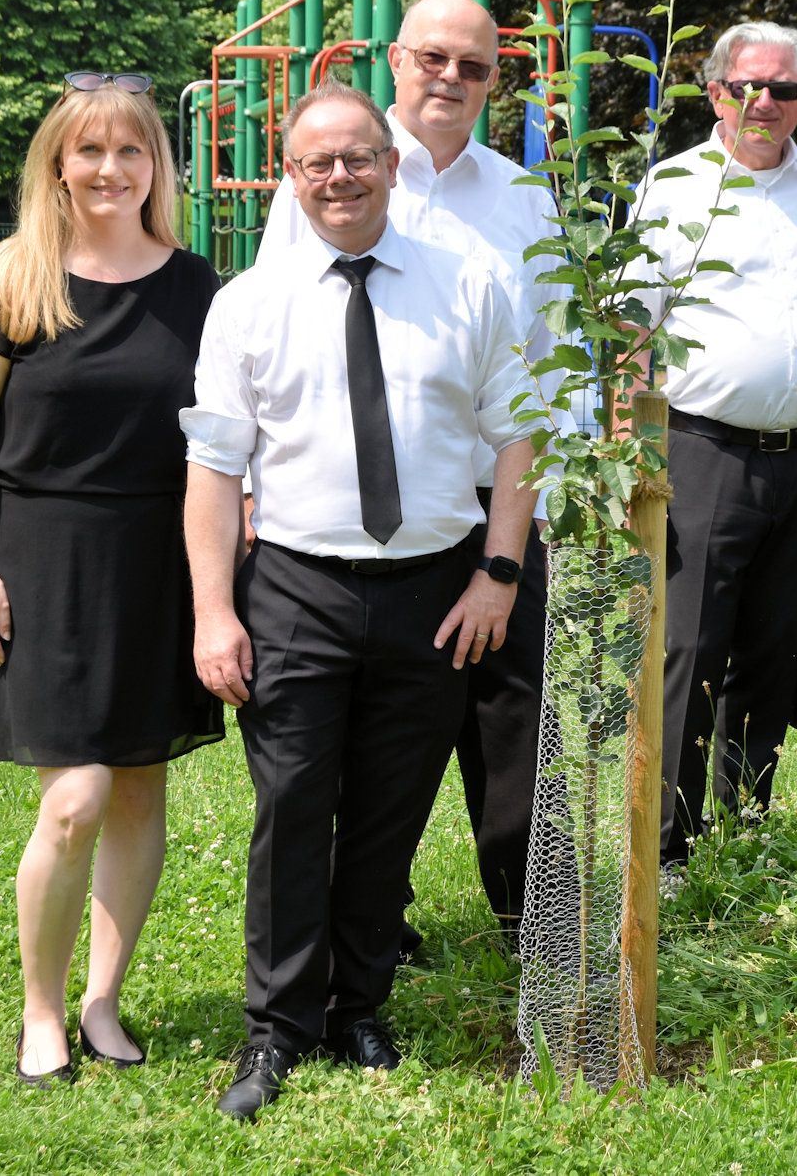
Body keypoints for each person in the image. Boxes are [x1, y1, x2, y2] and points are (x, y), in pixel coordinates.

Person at [183, 80, 537, 1121]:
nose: (338, 176)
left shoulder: (467, 283)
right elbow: (213, 467)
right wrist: (215, 611)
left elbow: (519, 433)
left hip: (433, 589)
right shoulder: (247, 305)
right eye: (315, 163)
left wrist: (499, 573)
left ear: (390, 164)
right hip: (295, 586)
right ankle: (278, 1027)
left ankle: (359, 1005)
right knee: (293, 808)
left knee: (389, 813)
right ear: (290, 181)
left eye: (356, 157)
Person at [253, 0, 559, 942]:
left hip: (494, 502)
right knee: (353, 733)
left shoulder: (524, 199)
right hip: (355, 512)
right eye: (435, 58)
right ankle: (374, 921)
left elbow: (549, 360)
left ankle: (528, 922)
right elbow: (279, 340)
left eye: (473, 66)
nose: (450, 79)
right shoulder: (326, 181)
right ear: (397, 59)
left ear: (495, 80)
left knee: (514, 724)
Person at [0, 71, 223, 1087]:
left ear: (157, 165)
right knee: (77, 798)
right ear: (57, 164)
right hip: (46, 558)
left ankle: (103, 999)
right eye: (90, 152)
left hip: (162, 557)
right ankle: (40, 1012)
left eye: (131, 151)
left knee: (141, 788)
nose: (111, 170)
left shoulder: (198, 288)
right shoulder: (15, 279)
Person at [636, 21, 797, 865]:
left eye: (784, 88)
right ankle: (666, 844)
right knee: (691, 646)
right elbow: (634, 329)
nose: (763, 102)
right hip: (705, 452)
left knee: (775, 645)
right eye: (747, 86)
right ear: (715, 91)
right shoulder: (672, 187)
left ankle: (744, 826)